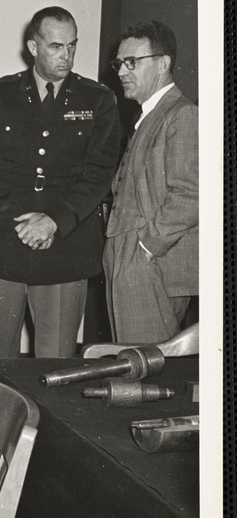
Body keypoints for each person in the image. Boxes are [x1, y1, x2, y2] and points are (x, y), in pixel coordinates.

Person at [0, 6, 120, 358]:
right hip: (0, 243)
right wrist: (18, 224)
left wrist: (52, 222)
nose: (67, 56)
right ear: (34, 47)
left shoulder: (98, 100)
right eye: (56, 46)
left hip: (65, 246)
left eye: (72, 46)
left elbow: (99, 173)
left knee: (56, 362)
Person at [103, 21, 198, 343]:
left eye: (132, 62)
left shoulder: (183, 115)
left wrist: (146, 247)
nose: (122, 71)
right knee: (127, 363)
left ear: (163, 64)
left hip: (148, 260)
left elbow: (192, 194)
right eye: (119, 63)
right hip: (128, 252)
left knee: (141, 368)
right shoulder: (147, 115)